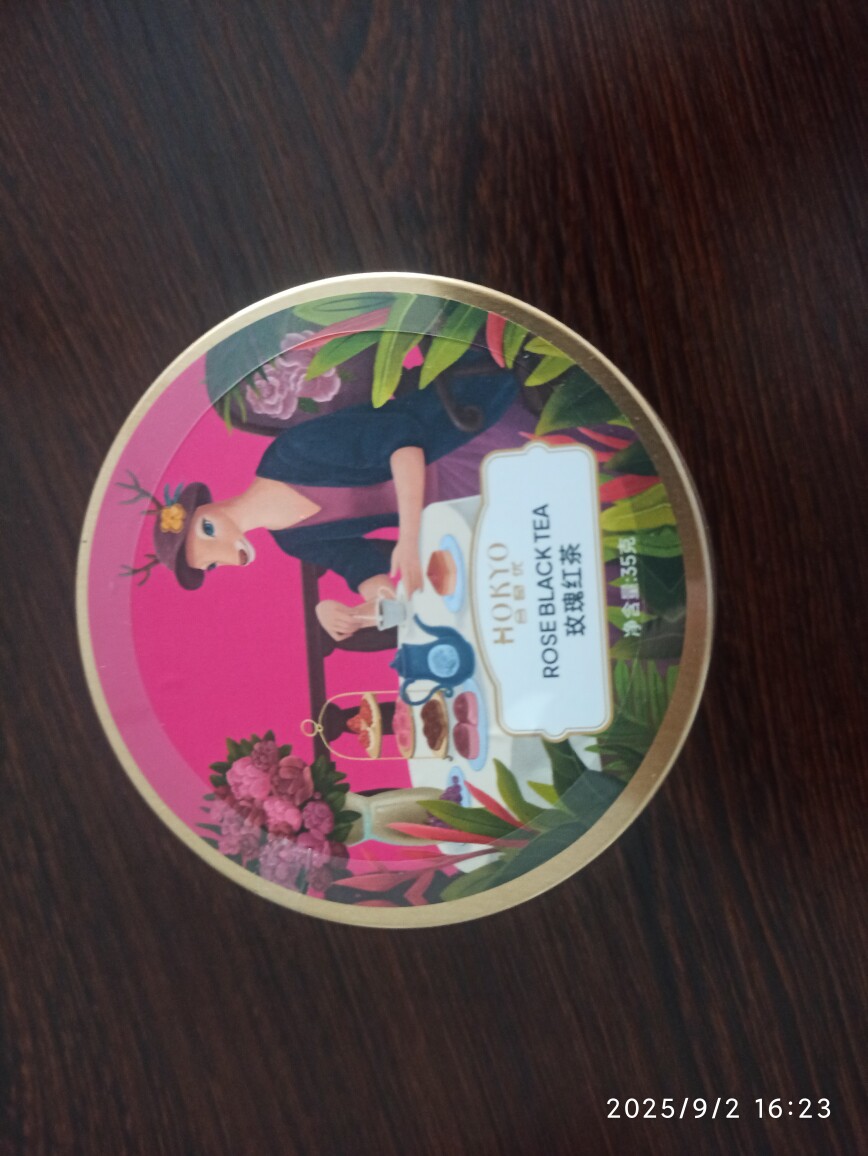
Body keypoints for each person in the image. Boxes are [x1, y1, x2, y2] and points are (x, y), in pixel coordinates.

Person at [137, 357, 527, 641]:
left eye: (208, 543)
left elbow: (405, 445)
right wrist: (359, 614)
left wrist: (409, 538)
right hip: (460, 510)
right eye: (211, 566)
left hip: (463, 433)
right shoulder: (294, 541)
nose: (223, 561)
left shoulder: (292, 454)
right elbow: (380, 584)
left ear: (207, 517)